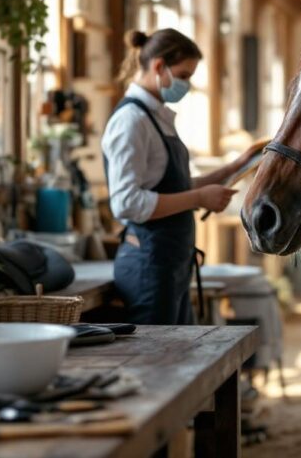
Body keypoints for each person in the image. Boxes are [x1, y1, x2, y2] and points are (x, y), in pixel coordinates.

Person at [102, 28, 262, 325]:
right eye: (183, 75)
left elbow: (176, 187)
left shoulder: (157, 117)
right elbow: (126, 202)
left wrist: (236, 166)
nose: (186, 85)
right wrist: (199, 198)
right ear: (159, 66)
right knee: (159, 353)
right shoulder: (131, 121)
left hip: (171, 263)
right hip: (148, 266)